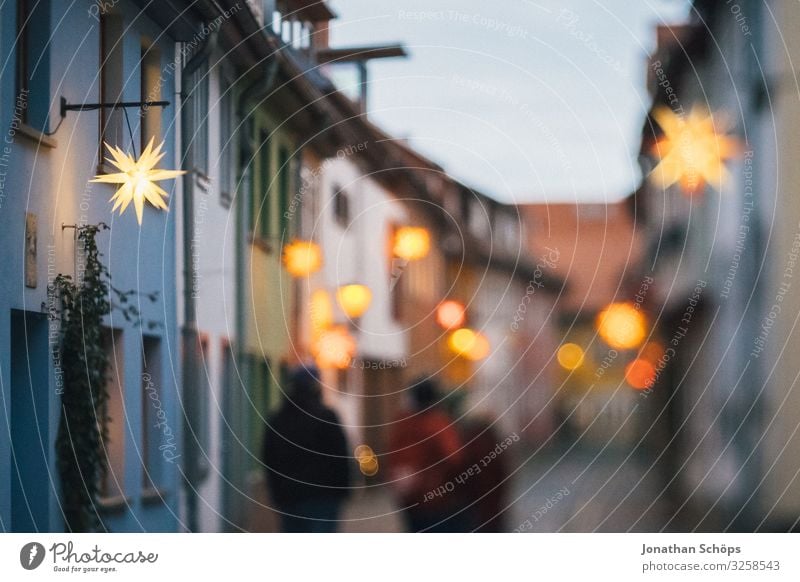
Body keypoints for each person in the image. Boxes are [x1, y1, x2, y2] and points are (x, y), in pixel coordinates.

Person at [261, 366, 351, 532]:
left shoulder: (278, 419)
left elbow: (269, 458)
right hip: (324, 499)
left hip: (289, 499)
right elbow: (341, 456)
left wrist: (277, 493)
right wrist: (344, 490)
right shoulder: (326, 417)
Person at [386, 378, 464, 532]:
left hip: (408, 497)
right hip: (435, 498)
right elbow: (454, 457)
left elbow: (392, 455)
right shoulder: (437, 423)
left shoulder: (403, 422)